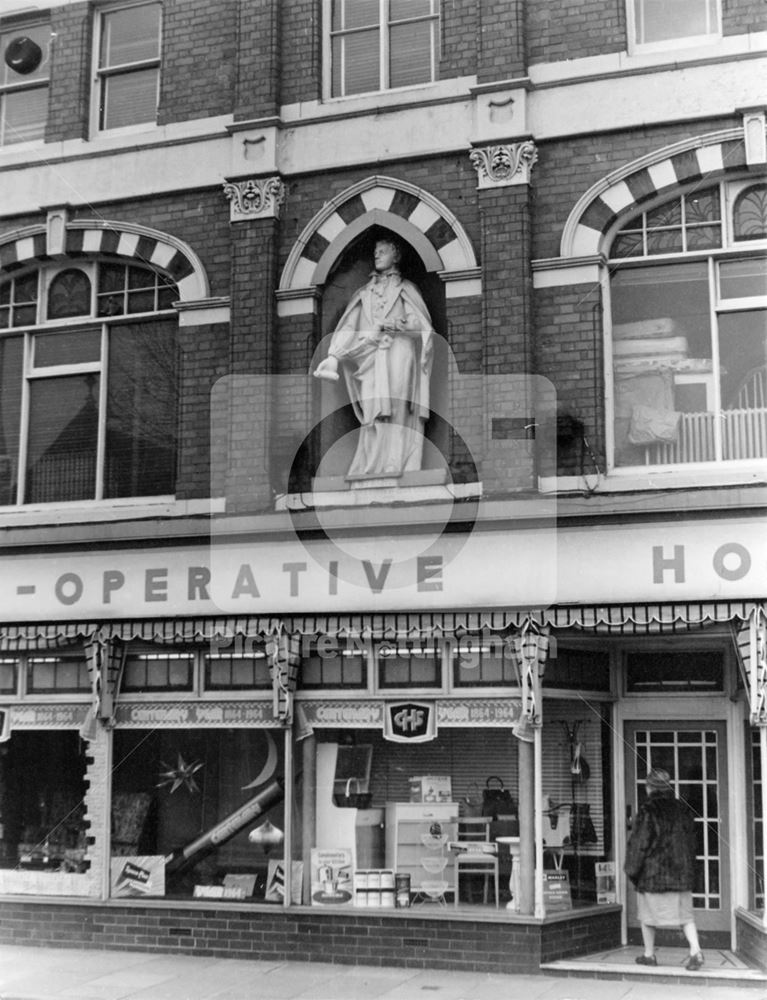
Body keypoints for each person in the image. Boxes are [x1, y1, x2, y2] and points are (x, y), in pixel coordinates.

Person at [313, 238, 434, 479]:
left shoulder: (406, 289)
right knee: (372, 411)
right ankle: (371, 465)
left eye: (382, 251)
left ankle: (395, 463)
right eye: (375, 251)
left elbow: (421, 325)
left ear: (395, 256)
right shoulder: (364, 293)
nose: (376, 255)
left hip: (399, 351)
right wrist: (334, 356)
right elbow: (349, 326)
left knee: (397, 406)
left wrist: (392, 324)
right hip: (369, 358)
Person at [624, 767, 704, 971]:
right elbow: (692, 842)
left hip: (653, 875)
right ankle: (695, 951)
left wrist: (632, 870)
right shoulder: (682, 808)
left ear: (649, 787)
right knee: (686, 917)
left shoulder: (647, 810)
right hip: (681, 874)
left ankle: (649, 955)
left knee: (647, 916)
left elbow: (639, 844)